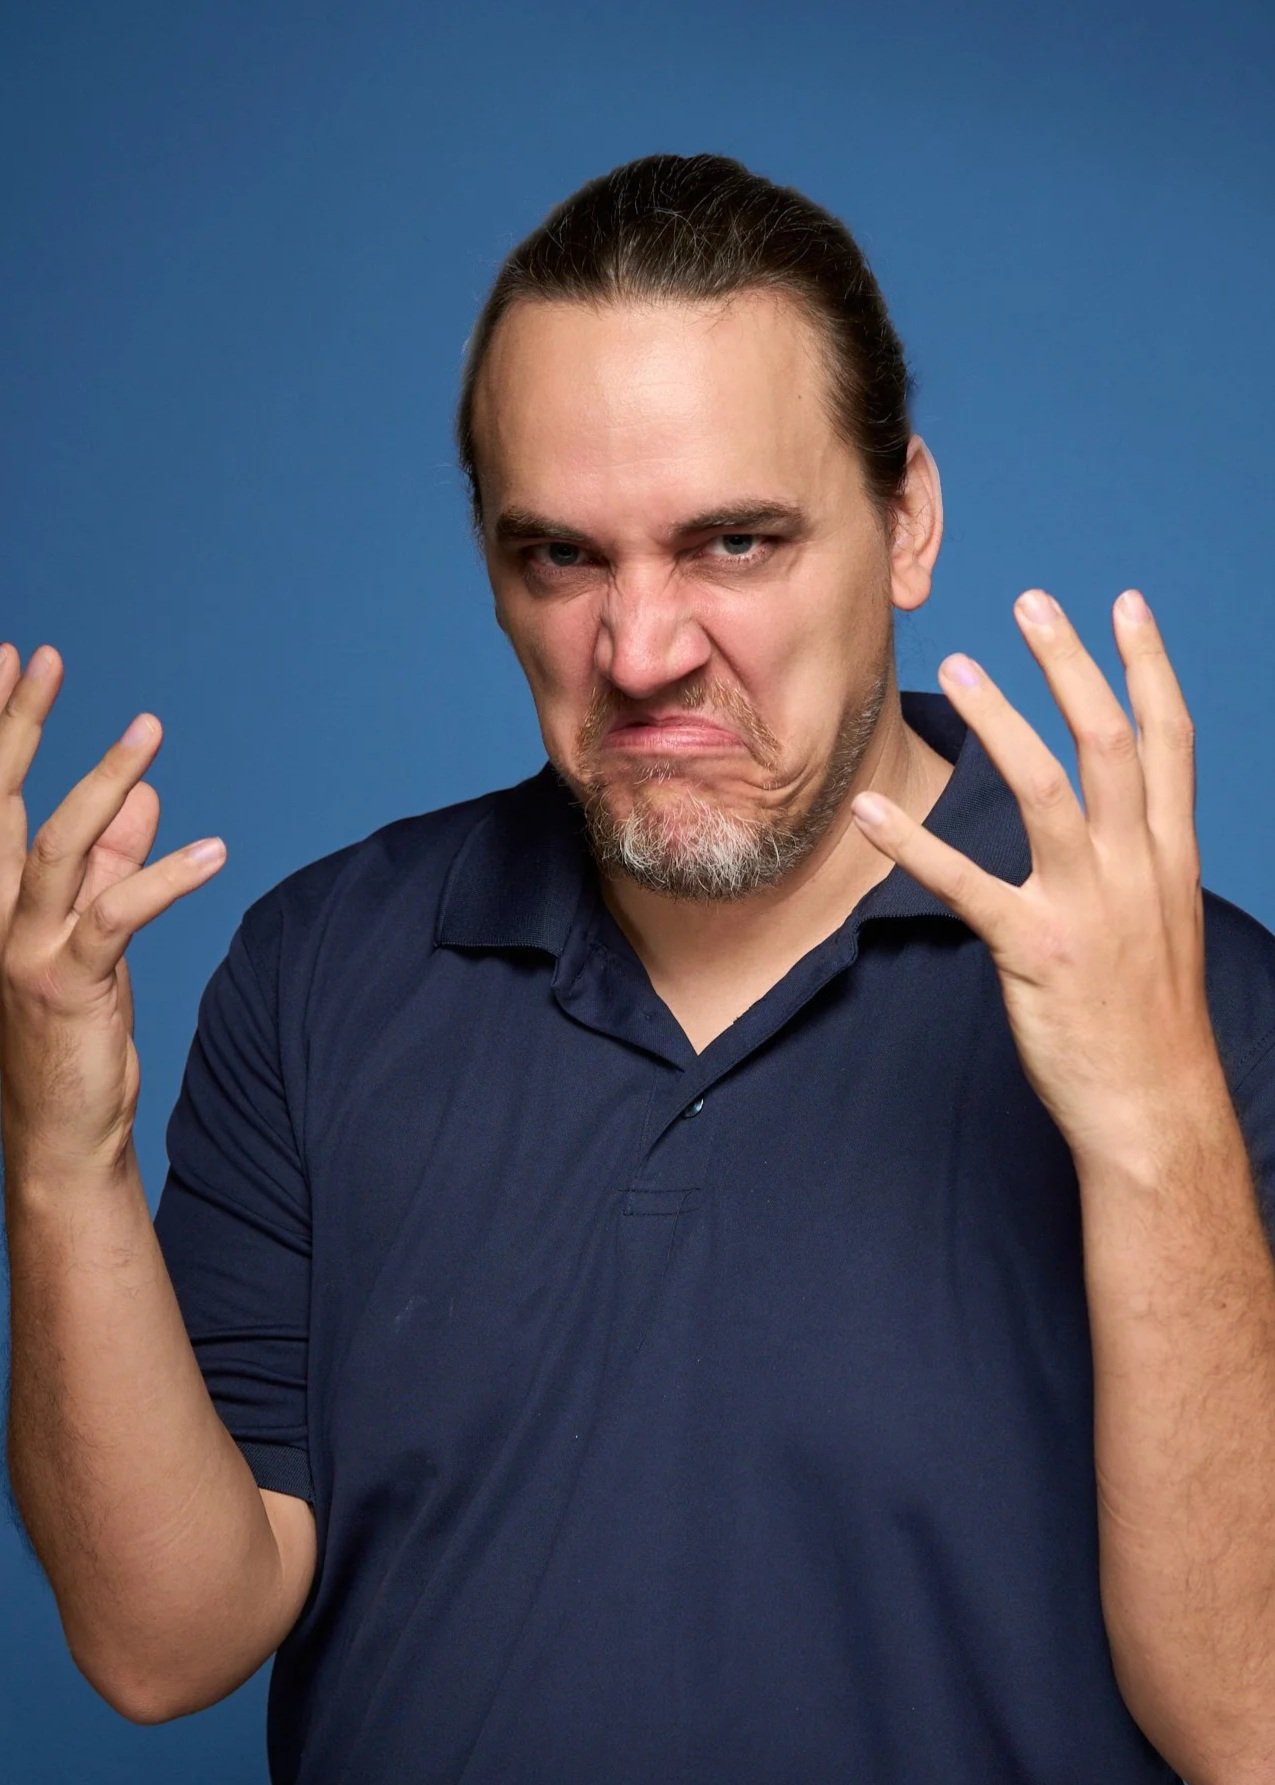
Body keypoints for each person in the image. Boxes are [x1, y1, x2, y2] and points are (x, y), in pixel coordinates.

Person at [4, 151, 1275, 1785]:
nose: (643, 648)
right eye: (562, 558)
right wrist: (59, 1158)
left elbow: (1252, 1725)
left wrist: (1158, 1125)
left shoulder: (1211, 1009)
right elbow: (158, 1643)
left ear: (908, 522)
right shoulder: (320, 971)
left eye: (734, 543)